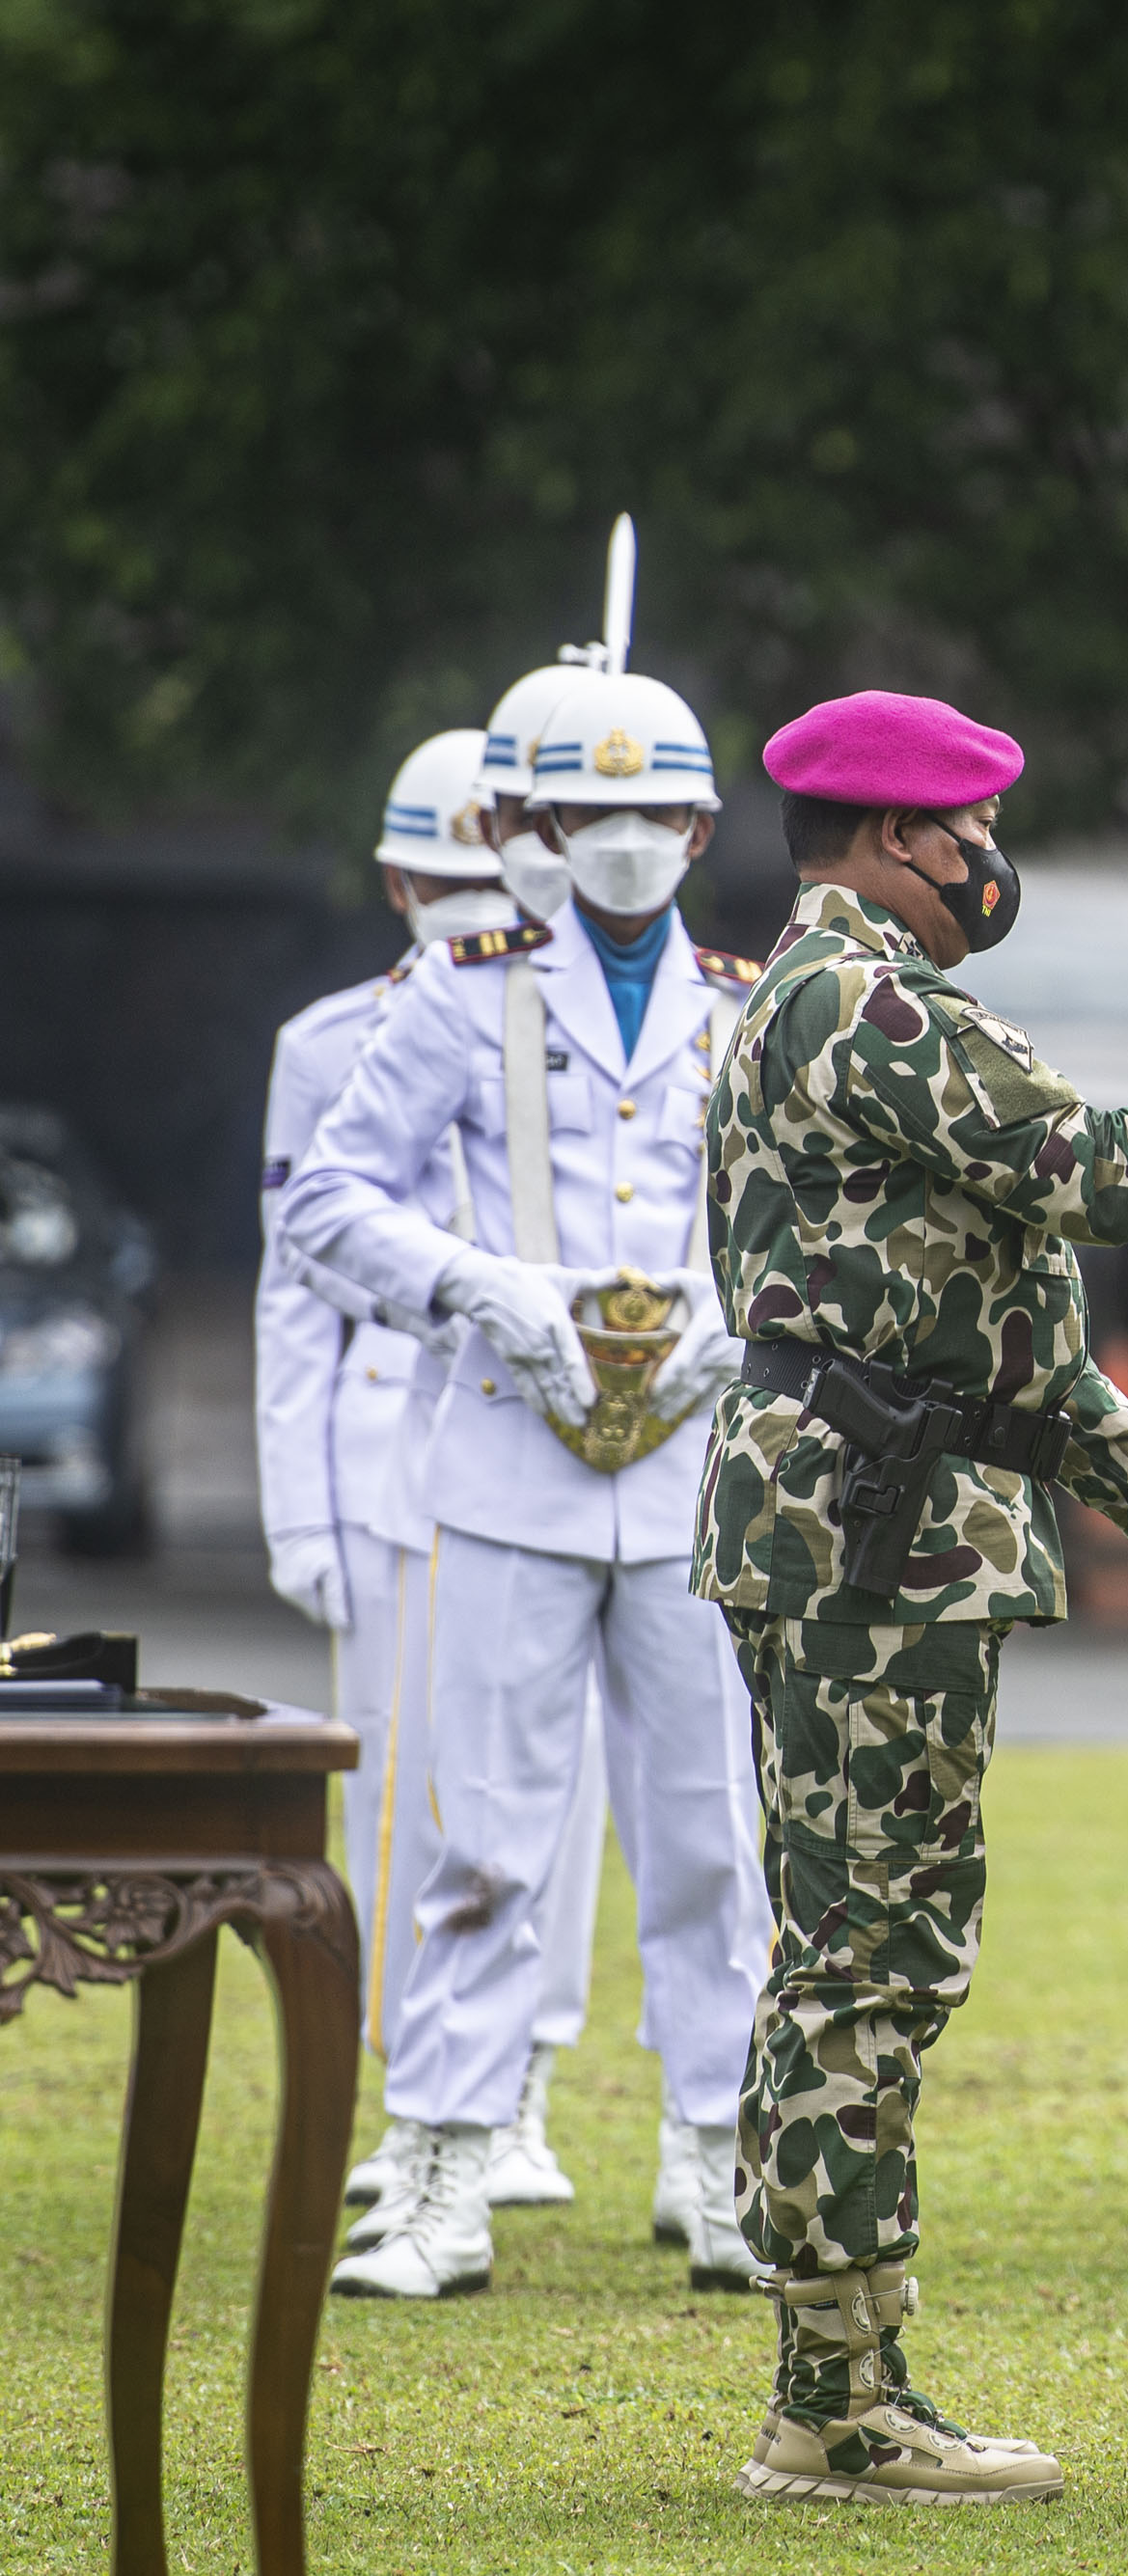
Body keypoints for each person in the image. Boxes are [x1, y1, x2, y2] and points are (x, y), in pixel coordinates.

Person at [692, 689, 1128, 2505]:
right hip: (868, 1533)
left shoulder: (866, 1007)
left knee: (867, 1946)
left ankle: (839, 2368)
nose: (992, 861)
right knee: (868, 1955)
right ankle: (835, 2403)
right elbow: (1102, 1180)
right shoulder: (861, 1004)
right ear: (912, 839)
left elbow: (1028, 1368)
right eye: (978, 831)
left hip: (882, 1513)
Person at [285, 670, 778, 2306]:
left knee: (710, 1836)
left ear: (704, 829)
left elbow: (810, 1222)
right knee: (476, 1835)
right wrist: (479, 1288)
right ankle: (440, 2164)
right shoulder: (459, 989)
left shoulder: (747, 1003)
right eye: (590, 817)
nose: (627, 845)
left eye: (656, 815)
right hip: (506, 1454)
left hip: (696, 1473)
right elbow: (333, 1204)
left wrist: (738, 1322)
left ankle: (721, 2163)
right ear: (532, 833)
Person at [261, 730, 609, 2229]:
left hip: (564, 1437)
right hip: (385, 1451)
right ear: (402, 879)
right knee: (410, 1793)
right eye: (453, 880)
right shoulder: (335, 1037)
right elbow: (296, 1283)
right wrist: (295, 1498)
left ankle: (523, 2079)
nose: (480, 906)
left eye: (503, 874)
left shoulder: (570, 1003)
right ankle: (422, 2100)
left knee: (567, 1780)